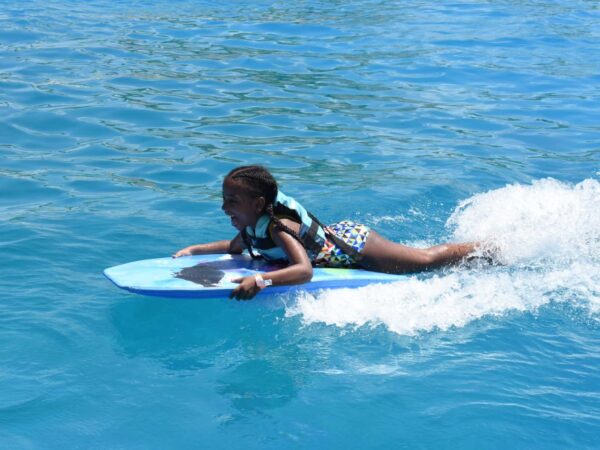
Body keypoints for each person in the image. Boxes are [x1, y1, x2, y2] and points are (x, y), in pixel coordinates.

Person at [174, 165, 484, 300]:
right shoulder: (253, 227)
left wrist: (261, 279)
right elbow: (233, 249)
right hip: (334, 238)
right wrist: (195, 250)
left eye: (232, 201)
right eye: (224, 199)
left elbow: (304, 271)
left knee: (424, 261)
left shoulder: (280, 229)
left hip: (352, 247)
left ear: (257, 204)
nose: (224, 207)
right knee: (420, 260)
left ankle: (484, 250)